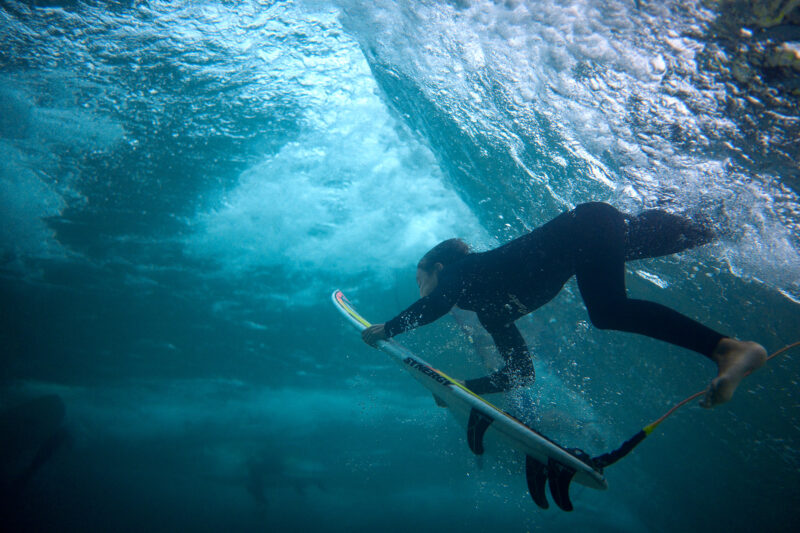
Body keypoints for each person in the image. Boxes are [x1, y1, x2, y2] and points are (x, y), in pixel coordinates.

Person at [362, 202, 767, 408]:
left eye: (421, 280)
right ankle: (744, 221)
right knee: (703, 231)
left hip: (587, 226)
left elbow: (435, 304)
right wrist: (462, 390)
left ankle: (728, 348)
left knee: (607, 311)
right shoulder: (492, 311)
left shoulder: (458, 270)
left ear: (437, 267)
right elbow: (520, 375)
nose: (422, 292)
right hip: (595, 235)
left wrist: (390, 328)